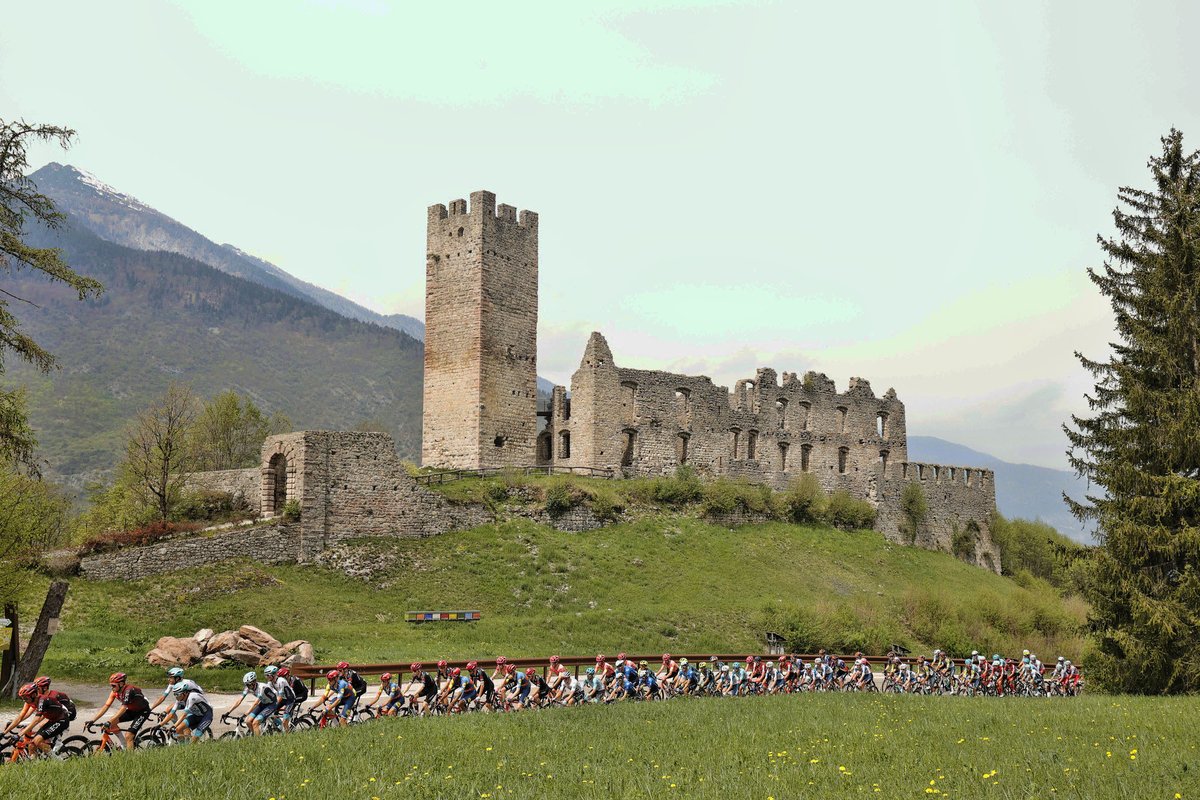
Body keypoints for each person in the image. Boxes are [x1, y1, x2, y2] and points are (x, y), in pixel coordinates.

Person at [88, 672, 151, 751]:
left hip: (142, 712)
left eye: (114, 685)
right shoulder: (115, 692)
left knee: (129, 735)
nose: (112, 688)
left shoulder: (129, 690)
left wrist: (109, 721)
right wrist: (93, 720)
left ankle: (131, 761)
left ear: (121, 684)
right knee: (112, 724)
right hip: (131, 710)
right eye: (111, 685)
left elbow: (123, 708)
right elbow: (106, 706)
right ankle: (124, 745)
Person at [13, 680, 74, 757]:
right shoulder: (35, 701)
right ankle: (35, 765)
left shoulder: (42, 700)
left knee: (37, 740)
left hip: (61, 720)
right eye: (23, 698)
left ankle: (58, 762)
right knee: (31, 746)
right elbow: (28, 717)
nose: (25, 700)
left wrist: (19, 735)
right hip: (52, 720)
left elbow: (36, 721)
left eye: (26, 698)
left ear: (34, 695)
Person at [264, 665, 296, 730]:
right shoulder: (270, 683)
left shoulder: (281, 681)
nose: (267, 677)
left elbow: (280, 696)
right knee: (270, 713)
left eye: (268, 675)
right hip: (283, 699)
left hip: (290, 699)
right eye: (266, 675)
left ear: (274, 675)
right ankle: (280, 725)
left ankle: (288, 736)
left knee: (285, 721)